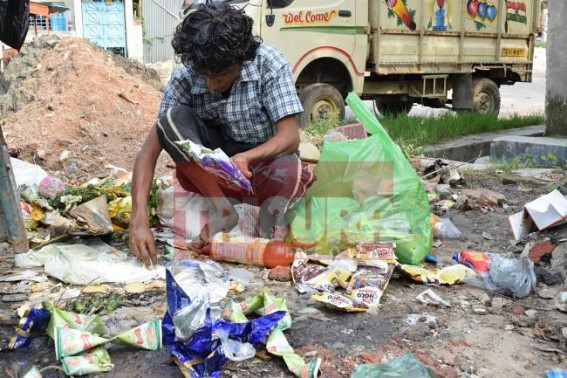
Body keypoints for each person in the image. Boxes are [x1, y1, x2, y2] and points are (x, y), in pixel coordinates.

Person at [129, 2, 314, 267]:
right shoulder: (187, 75)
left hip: (258, 167)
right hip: (213, 176)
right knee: (170, 120)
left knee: (290, 170)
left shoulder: (268, 63)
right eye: (205, 75)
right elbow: (148, 152)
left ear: (241, 59)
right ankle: (223, 210)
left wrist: (246, 157)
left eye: (220, 75)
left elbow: (289, 137)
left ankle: (267, 221)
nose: (211, 84)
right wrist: (139, 220)